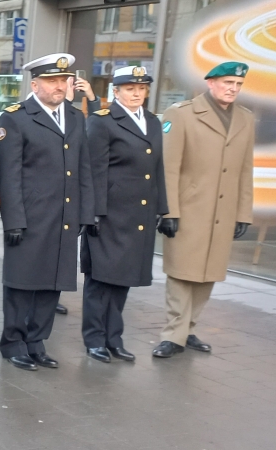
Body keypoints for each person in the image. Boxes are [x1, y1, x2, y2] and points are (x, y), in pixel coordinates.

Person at [0, 53, 93, 371]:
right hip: (31, 218)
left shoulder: (76, 118)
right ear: (35, 84)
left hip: (64, 218)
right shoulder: (16, 118)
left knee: (52, 284)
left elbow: (84, 169)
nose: (59, 86)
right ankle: (13, 343)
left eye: (62, 80)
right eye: (51, 81)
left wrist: (85, 214)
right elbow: (8, 175)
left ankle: (36, 342)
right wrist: (13, 219)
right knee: (22, 284)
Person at [153, 61, 254, 358]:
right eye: (227, 83)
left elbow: (245, 170)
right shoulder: (181, 114)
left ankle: (189, 328)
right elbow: (168, 167)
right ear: (211, 83)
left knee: (208, 273)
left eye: (237, 85)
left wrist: (243, 213)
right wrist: (169, 211)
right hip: (189, 208)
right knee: (182, 272)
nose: (233, 89)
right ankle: (173, 334)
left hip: (222, 212)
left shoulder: (245, 119)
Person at [81, 66, 167, 363]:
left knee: (124, 280)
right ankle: (94, 339)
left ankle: (113, 338)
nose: (136, 93)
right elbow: (93, 170)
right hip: (109, 215)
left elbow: (157, 169)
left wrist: (162, 208)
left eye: (141, 89)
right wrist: (92, 212)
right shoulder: (102, 121)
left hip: (138, 215)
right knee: (101, 280)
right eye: (129, 88)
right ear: (115, 92)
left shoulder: (153, 122)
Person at [55, 75, 100, 316]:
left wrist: (92, 98)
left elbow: (95, 126)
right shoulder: (57, 108)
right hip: (49, 197)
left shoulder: (74, 116)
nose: (66, 87)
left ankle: (55, 293)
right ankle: (45, 294)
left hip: (72, 196)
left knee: (64, 250)